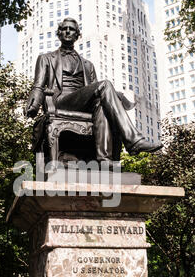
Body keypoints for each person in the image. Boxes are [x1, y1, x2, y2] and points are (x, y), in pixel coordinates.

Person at [26, 17, 162, 166]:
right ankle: (134, 140)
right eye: (64, 29)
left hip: (82, 102)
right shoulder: (46, 58)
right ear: (59, 33)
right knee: (105, 85)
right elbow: (38, 85)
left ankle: (104, 160)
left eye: (71, 29)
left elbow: (97, 94)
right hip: (61, 101)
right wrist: (34, 104)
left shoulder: (87, 65)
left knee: (102, 105)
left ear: (77, 35)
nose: (67, 31)